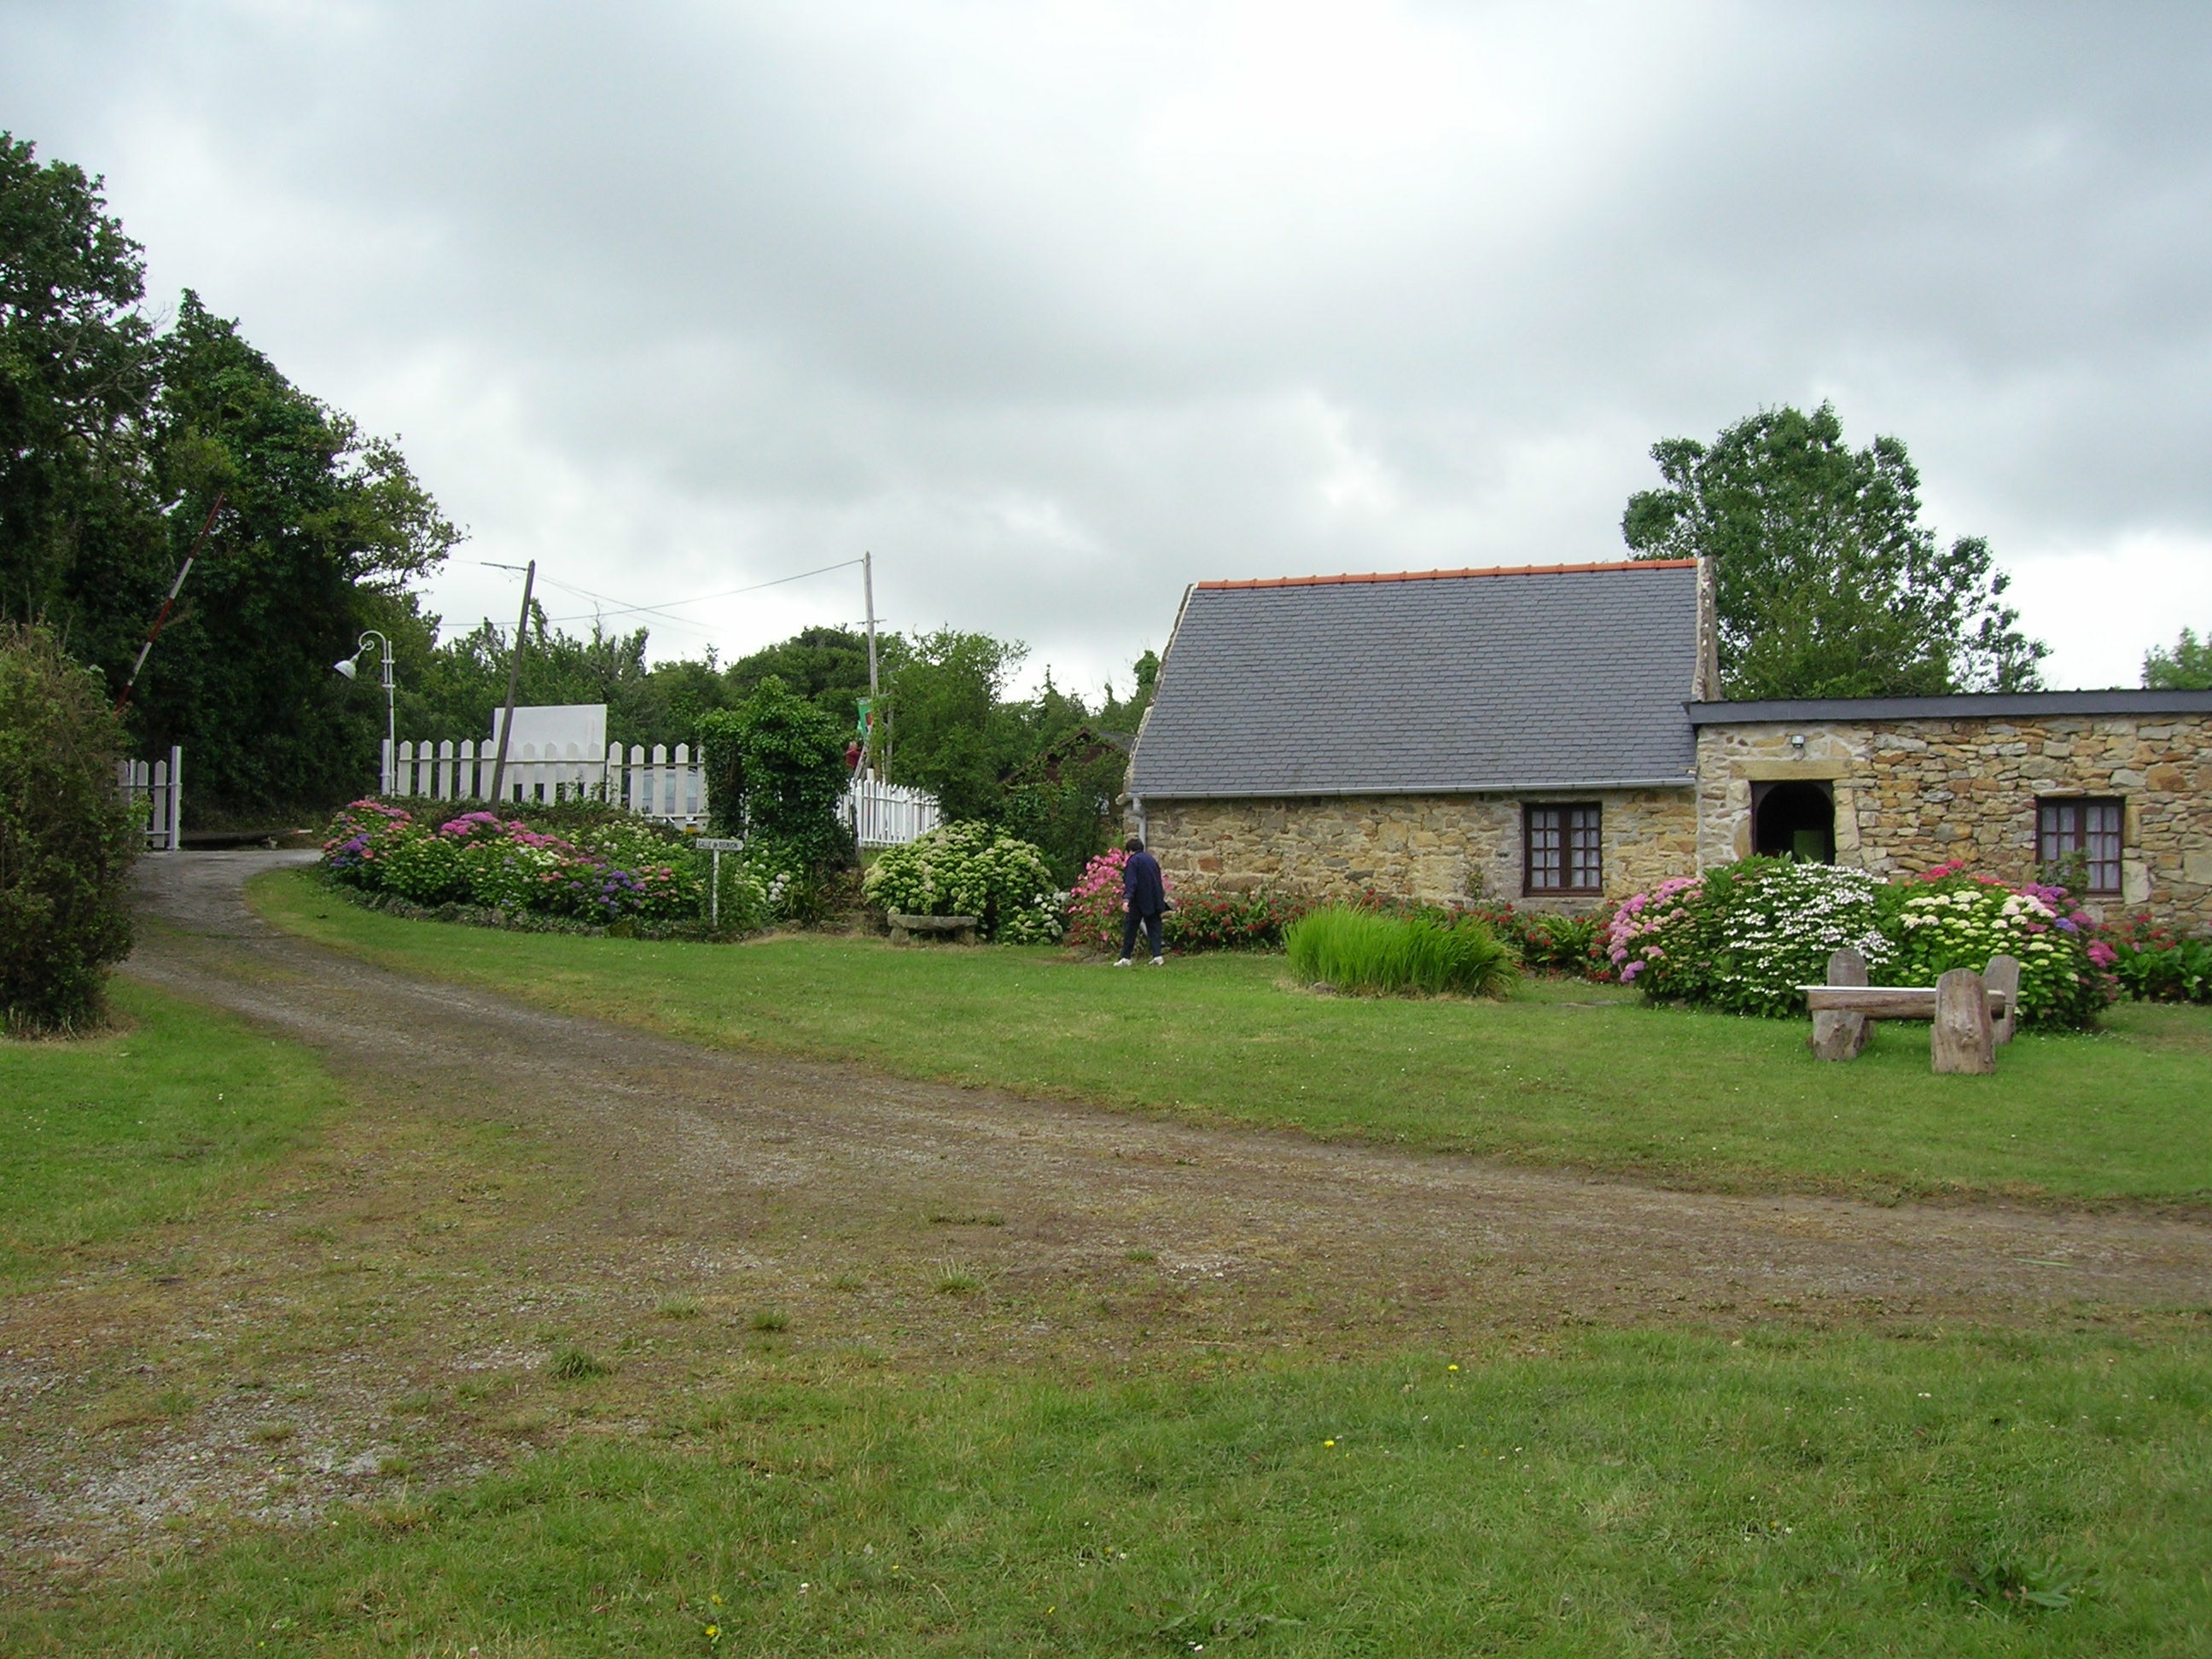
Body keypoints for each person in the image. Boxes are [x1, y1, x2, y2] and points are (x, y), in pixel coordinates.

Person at [1115, 835, 1168, 967]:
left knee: (1131, 928)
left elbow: (1131, 882)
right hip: (1154, 898)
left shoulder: (1133, 861)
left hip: (1138, 900)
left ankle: (1126, 958)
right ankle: (1157, 956)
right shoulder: (1151, 860)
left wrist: (1127, 899)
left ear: (1130, 851)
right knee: (1154, 927)